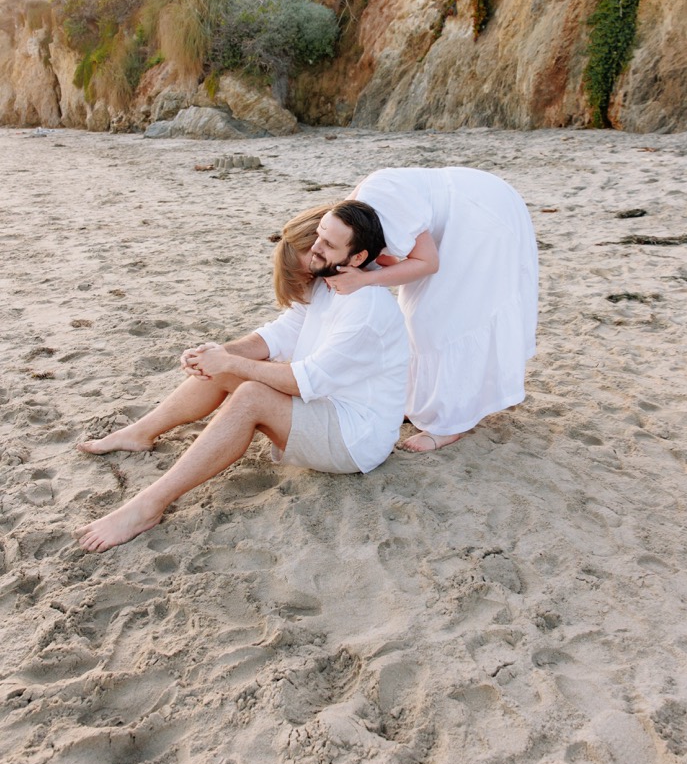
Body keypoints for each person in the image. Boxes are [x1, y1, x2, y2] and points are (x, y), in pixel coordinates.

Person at [75, 202, 409, 553]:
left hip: (355, 437)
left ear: (357, 258)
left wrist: (230, 364)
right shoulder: (329, 282)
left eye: (327, 244)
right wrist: (216, 354)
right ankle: (140, 433)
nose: (315, 247)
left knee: (250, 395)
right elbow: (276, 336)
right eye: (319, 236)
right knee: (228, 367)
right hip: (323, 407)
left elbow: (303, 381)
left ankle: (147, 507)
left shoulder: (365, 309)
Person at [321, 167, 538, 453]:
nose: (319, 246)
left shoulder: (375, 205)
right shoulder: (347, 222)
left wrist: (365, 279)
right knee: (415, 314)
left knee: (443, 318)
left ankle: (447, 424)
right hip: (457, 215)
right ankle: (419, 404)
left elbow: (427, 263)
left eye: (322, 246)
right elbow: (396, 258)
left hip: (479, 215)